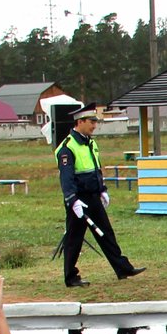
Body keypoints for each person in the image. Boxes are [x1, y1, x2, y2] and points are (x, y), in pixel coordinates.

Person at [57, 104, 144, 288]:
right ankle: (70, 277)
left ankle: (122, 268)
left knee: (106, 233)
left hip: (93, 195)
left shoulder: (90, 143)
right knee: (74, 238)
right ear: (79, 122)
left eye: (95, 122)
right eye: (91, 122)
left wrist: (102, 189)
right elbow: (67, 177)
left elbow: (96, 168)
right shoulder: (68, 147)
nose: (94, 126)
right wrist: (72, 200)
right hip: (78, 199)